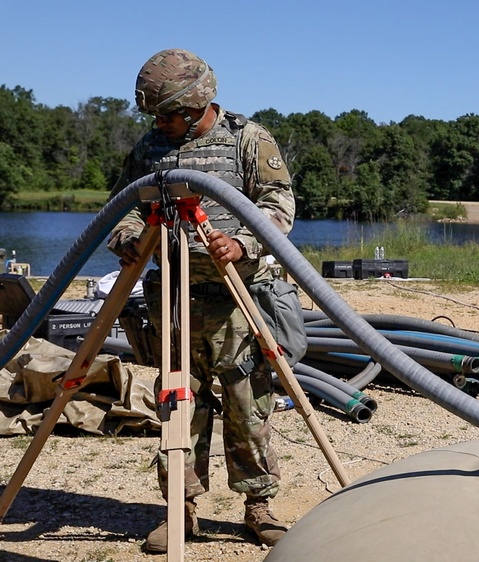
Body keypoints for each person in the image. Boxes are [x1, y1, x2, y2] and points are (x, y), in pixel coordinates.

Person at [106, 48, 296, 553]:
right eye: (155, 116)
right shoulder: (150, 148)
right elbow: (123, 205)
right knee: (177, 404)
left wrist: (245, 242)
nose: (160, 124)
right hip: (174, 294)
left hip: (237, 296)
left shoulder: (247, 140)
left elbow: (279, 206)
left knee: (244, 403)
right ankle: (179, 509)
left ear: (195, 105)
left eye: (167, 115)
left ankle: (259, 507)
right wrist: (128, 239)